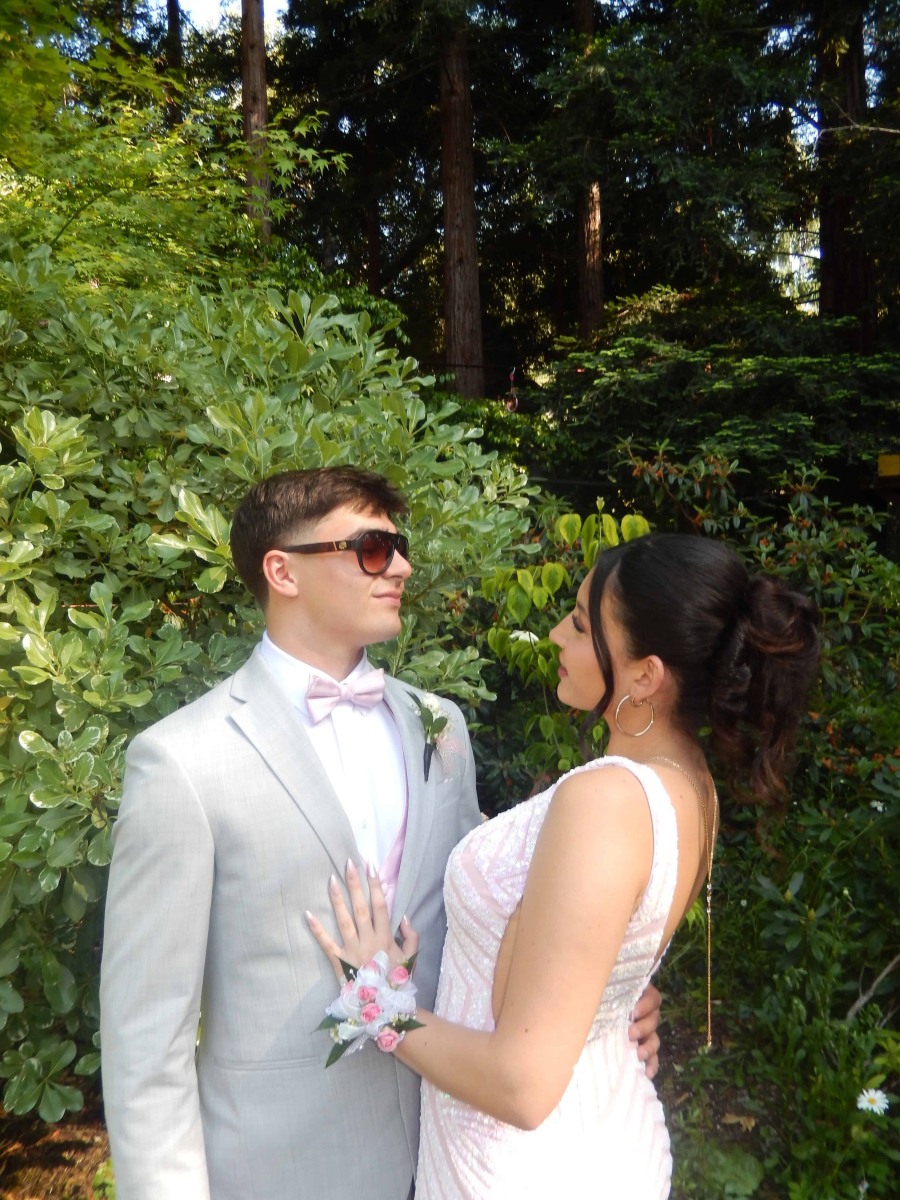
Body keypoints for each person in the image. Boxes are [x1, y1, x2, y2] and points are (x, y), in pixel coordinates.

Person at [99, 466, 662, 1200]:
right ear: (283, 571)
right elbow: (147, 1039)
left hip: (455, 1146)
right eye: (370, 549)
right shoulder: (182, 762)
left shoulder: (441, 727)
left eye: (399, 548)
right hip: (283, 1172)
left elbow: (484, 921)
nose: (400, 567)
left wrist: (600, 994)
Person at [309, 532, 820, 1199]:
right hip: (600, 1126)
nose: (555, 634)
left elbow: (520, 1085)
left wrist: (376, 999)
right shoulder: (689, 785)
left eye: (580, 625)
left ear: (646, 675)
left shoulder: (606, 800)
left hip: (521, 1165)